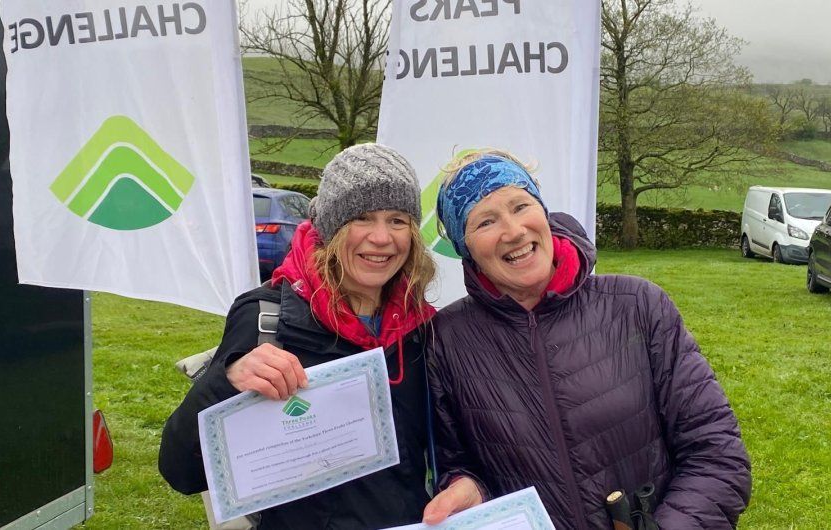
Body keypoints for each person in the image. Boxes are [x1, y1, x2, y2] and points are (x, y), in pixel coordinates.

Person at [421, 151, 751, 529]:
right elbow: (456, 462)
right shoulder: (446, 341)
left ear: (543, 212)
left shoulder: (638, 306)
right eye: (485, 222)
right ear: (466, 250)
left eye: (521, 205)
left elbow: (717, 454)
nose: (513, 231)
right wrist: (468, 488)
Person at [159, 144, 438, 529]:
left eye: (397, 220)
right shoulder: (266, 317)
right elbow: (181, 471)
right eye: (361, 217)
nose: (381, 237)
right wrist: (227, 380)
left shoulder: (422, 331)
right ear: (330, 227)